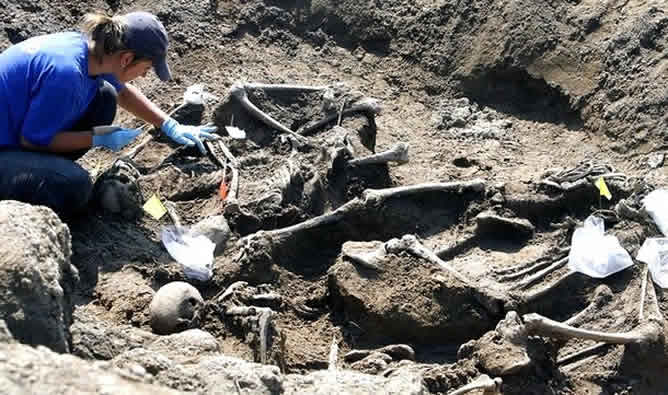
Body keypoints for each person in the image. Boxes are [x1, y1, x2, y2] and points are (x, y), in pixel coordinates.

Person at [0, 11, 218, 218]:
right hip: (11, 148)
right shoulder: (66, 75)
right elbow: (31, 141)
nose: (143, 76)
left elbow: (123, 92)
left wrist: (169, 124)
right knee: (76, 187)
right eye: (146, 68)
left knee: (105, 97)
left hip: (14, 132)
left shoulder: (89, 50)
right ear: (126, 59)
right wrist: (96, 138)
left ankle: (47, 170)